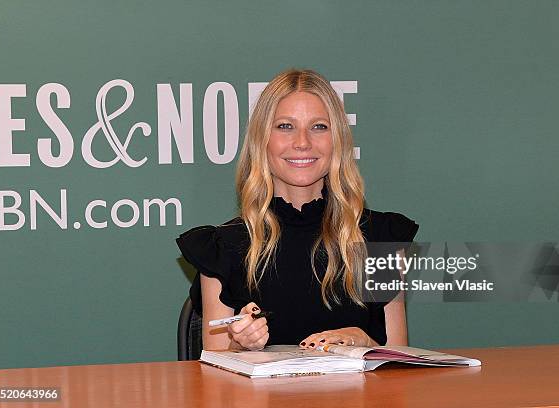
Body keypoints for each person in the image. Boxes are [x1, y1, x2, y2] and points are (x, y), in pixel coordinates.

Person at [176, 68, 418, 352]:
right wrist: (239, 346)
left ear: (337, 141)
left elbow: (402, 364)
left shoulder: (381, 239)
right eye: (285, 126)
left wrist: (364, 341)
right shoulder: (222, 247)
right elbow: (213, 372)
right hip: (260, 398)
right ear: (262, 140)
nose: (302, 142)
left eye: (319, 126)